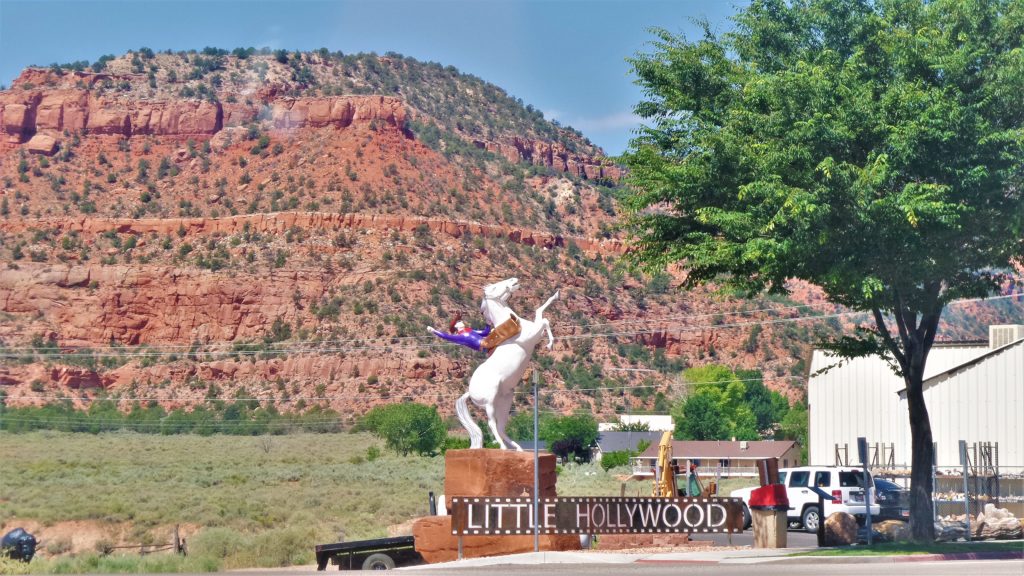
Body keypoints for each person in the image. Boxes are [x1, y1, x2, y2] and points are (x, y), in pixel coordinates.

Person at [427, 312, 492, 352]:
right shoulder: (459, 337)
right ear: (456, 328)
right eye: (458, 322)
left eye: (459, 321)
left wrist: (488, 323)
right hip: (485, 346)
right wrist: (434, 331)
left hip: (487, 342)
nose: (460, 321)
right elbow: (445, 336)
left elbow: (485, 333)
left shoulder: (468, 330)